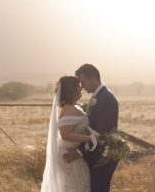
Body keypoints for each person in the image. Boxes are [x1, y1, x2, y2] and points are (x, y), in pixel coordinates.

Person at [63, 64, 119, 192]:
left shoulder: (106, 98)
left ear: (93, 79)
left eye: (83, 82)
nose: (81, 87)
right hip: (96, 153)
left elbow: (101, 131)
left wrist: (79, 151)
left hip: (102, 156)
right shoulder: (98, 96)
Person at [41, 76, 97, 192]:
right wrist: (90, 138)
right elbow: (65, 134)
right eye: (78, 86)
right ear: (72, 90)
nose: (81, 88)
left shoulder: (72, 107)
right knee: (79, 186)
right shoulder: (70, 109)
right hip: (69, 155)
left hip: (71, 154)